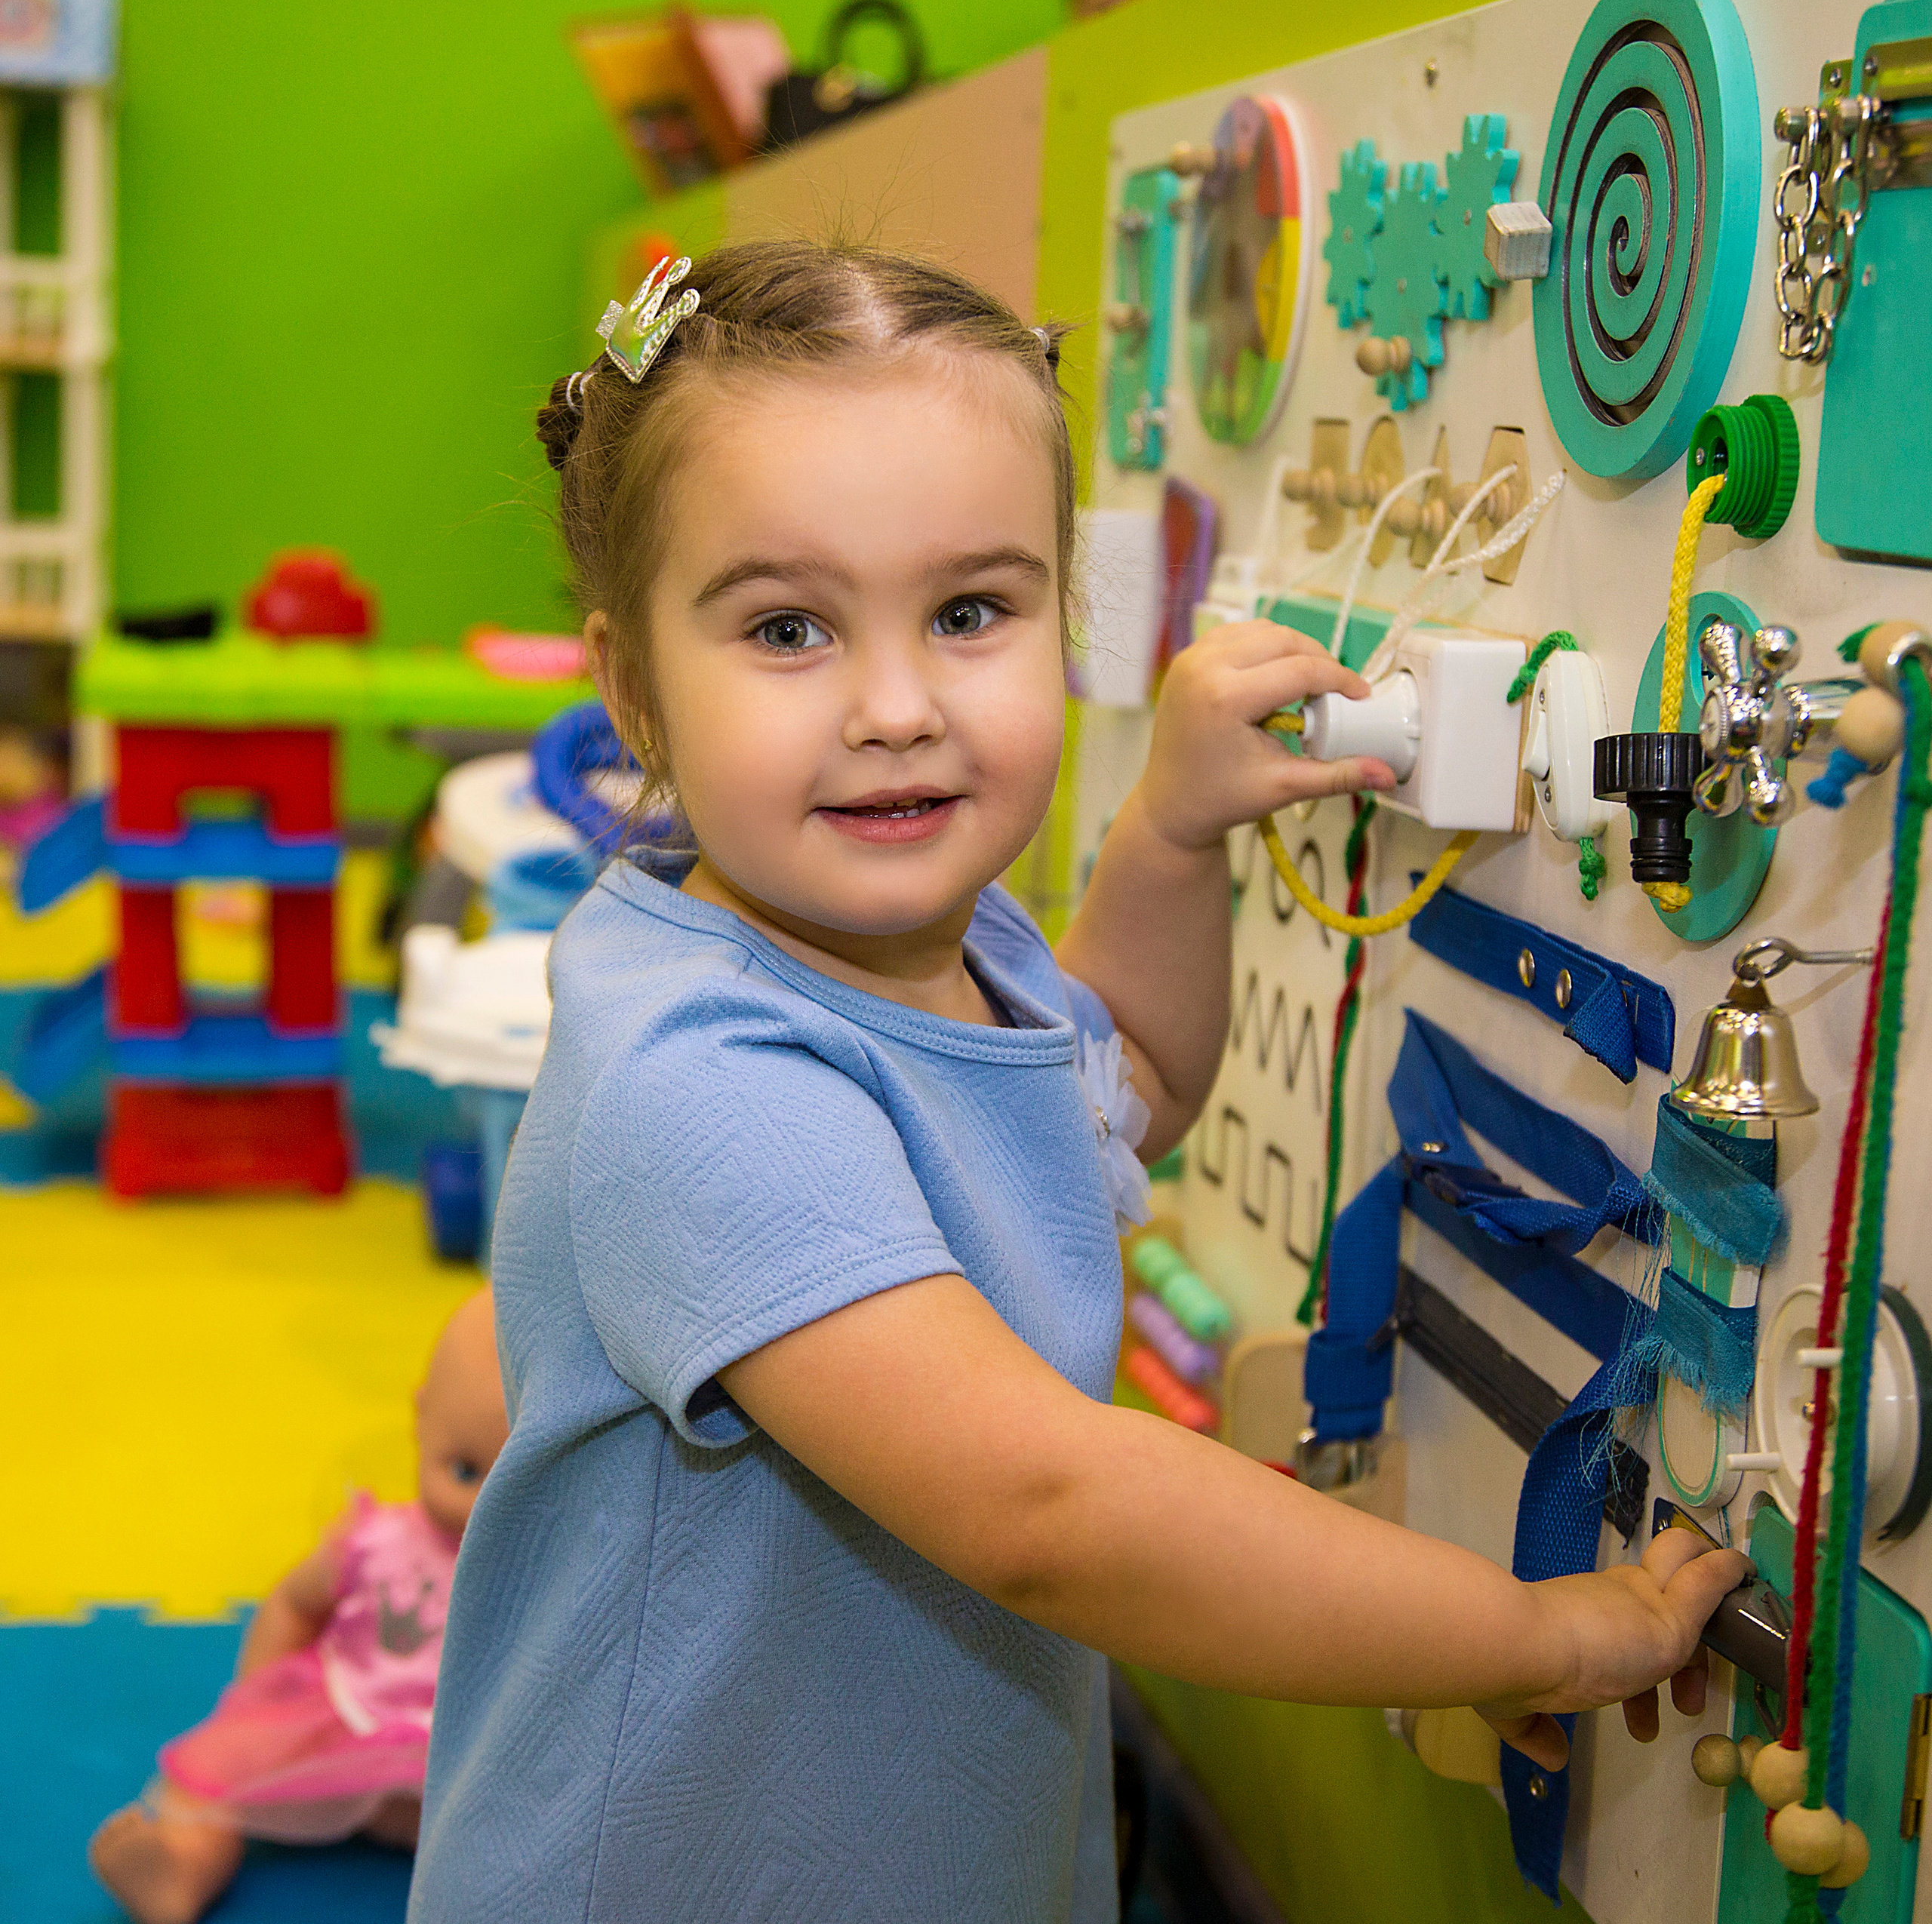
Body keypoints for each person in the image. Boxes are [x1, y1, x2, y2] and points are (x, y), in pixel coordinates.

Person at [409, 243, 1747, 1923]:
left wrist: (1169, 831)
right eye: (788, 628)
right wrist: (1531, 1630)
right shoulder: (700, 1078)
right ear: (631, 688)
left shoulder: (940, 940)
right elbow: (1047, 1505)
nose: (896, 707)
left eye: (970, 612)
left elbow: (1127, 1089)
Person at [91, 1290, 509, 1924]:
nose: (482, 1508)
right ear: (421, 1419)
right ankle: (182, 1866)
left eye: (511, 1485)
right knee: (211, 1782)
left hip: (455, 1760)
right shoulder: (370, 1541)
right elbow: (293, 1606)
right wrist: (255, 1705)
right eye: (465, 1472)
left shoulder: (542, 1568)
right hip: (342, 1722)